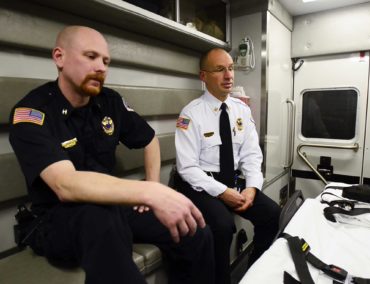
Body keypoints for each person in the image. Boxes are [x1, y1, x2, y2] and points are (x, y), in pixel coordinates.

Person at [9, 25, 215, 284]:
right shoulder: (33, 112)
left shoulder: (109, 102)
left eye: (106, 61)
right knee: (101, 219)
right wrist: (150, 193)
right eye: (91, 56)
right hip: (59, 218)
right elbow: (65, 185)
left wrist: (153, 183)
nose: (102, 67)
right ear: (59, 57)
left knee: (194, 231)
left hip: (111, 206)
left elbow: (149, 139)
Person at [174, 48, 281, 284]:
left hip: (232, 180)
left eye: (231, 68)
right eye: (220, 69)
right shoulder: (191, 114)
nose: (228, 75)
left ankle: (254, 272)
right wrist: (223, 192)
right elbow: (187, 168)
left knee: (272, 214)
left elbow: (252, 155)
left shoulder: (241, 110)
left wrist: (252, 187)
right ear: (203, 76)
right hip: (201, 185)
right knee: (222, 227)